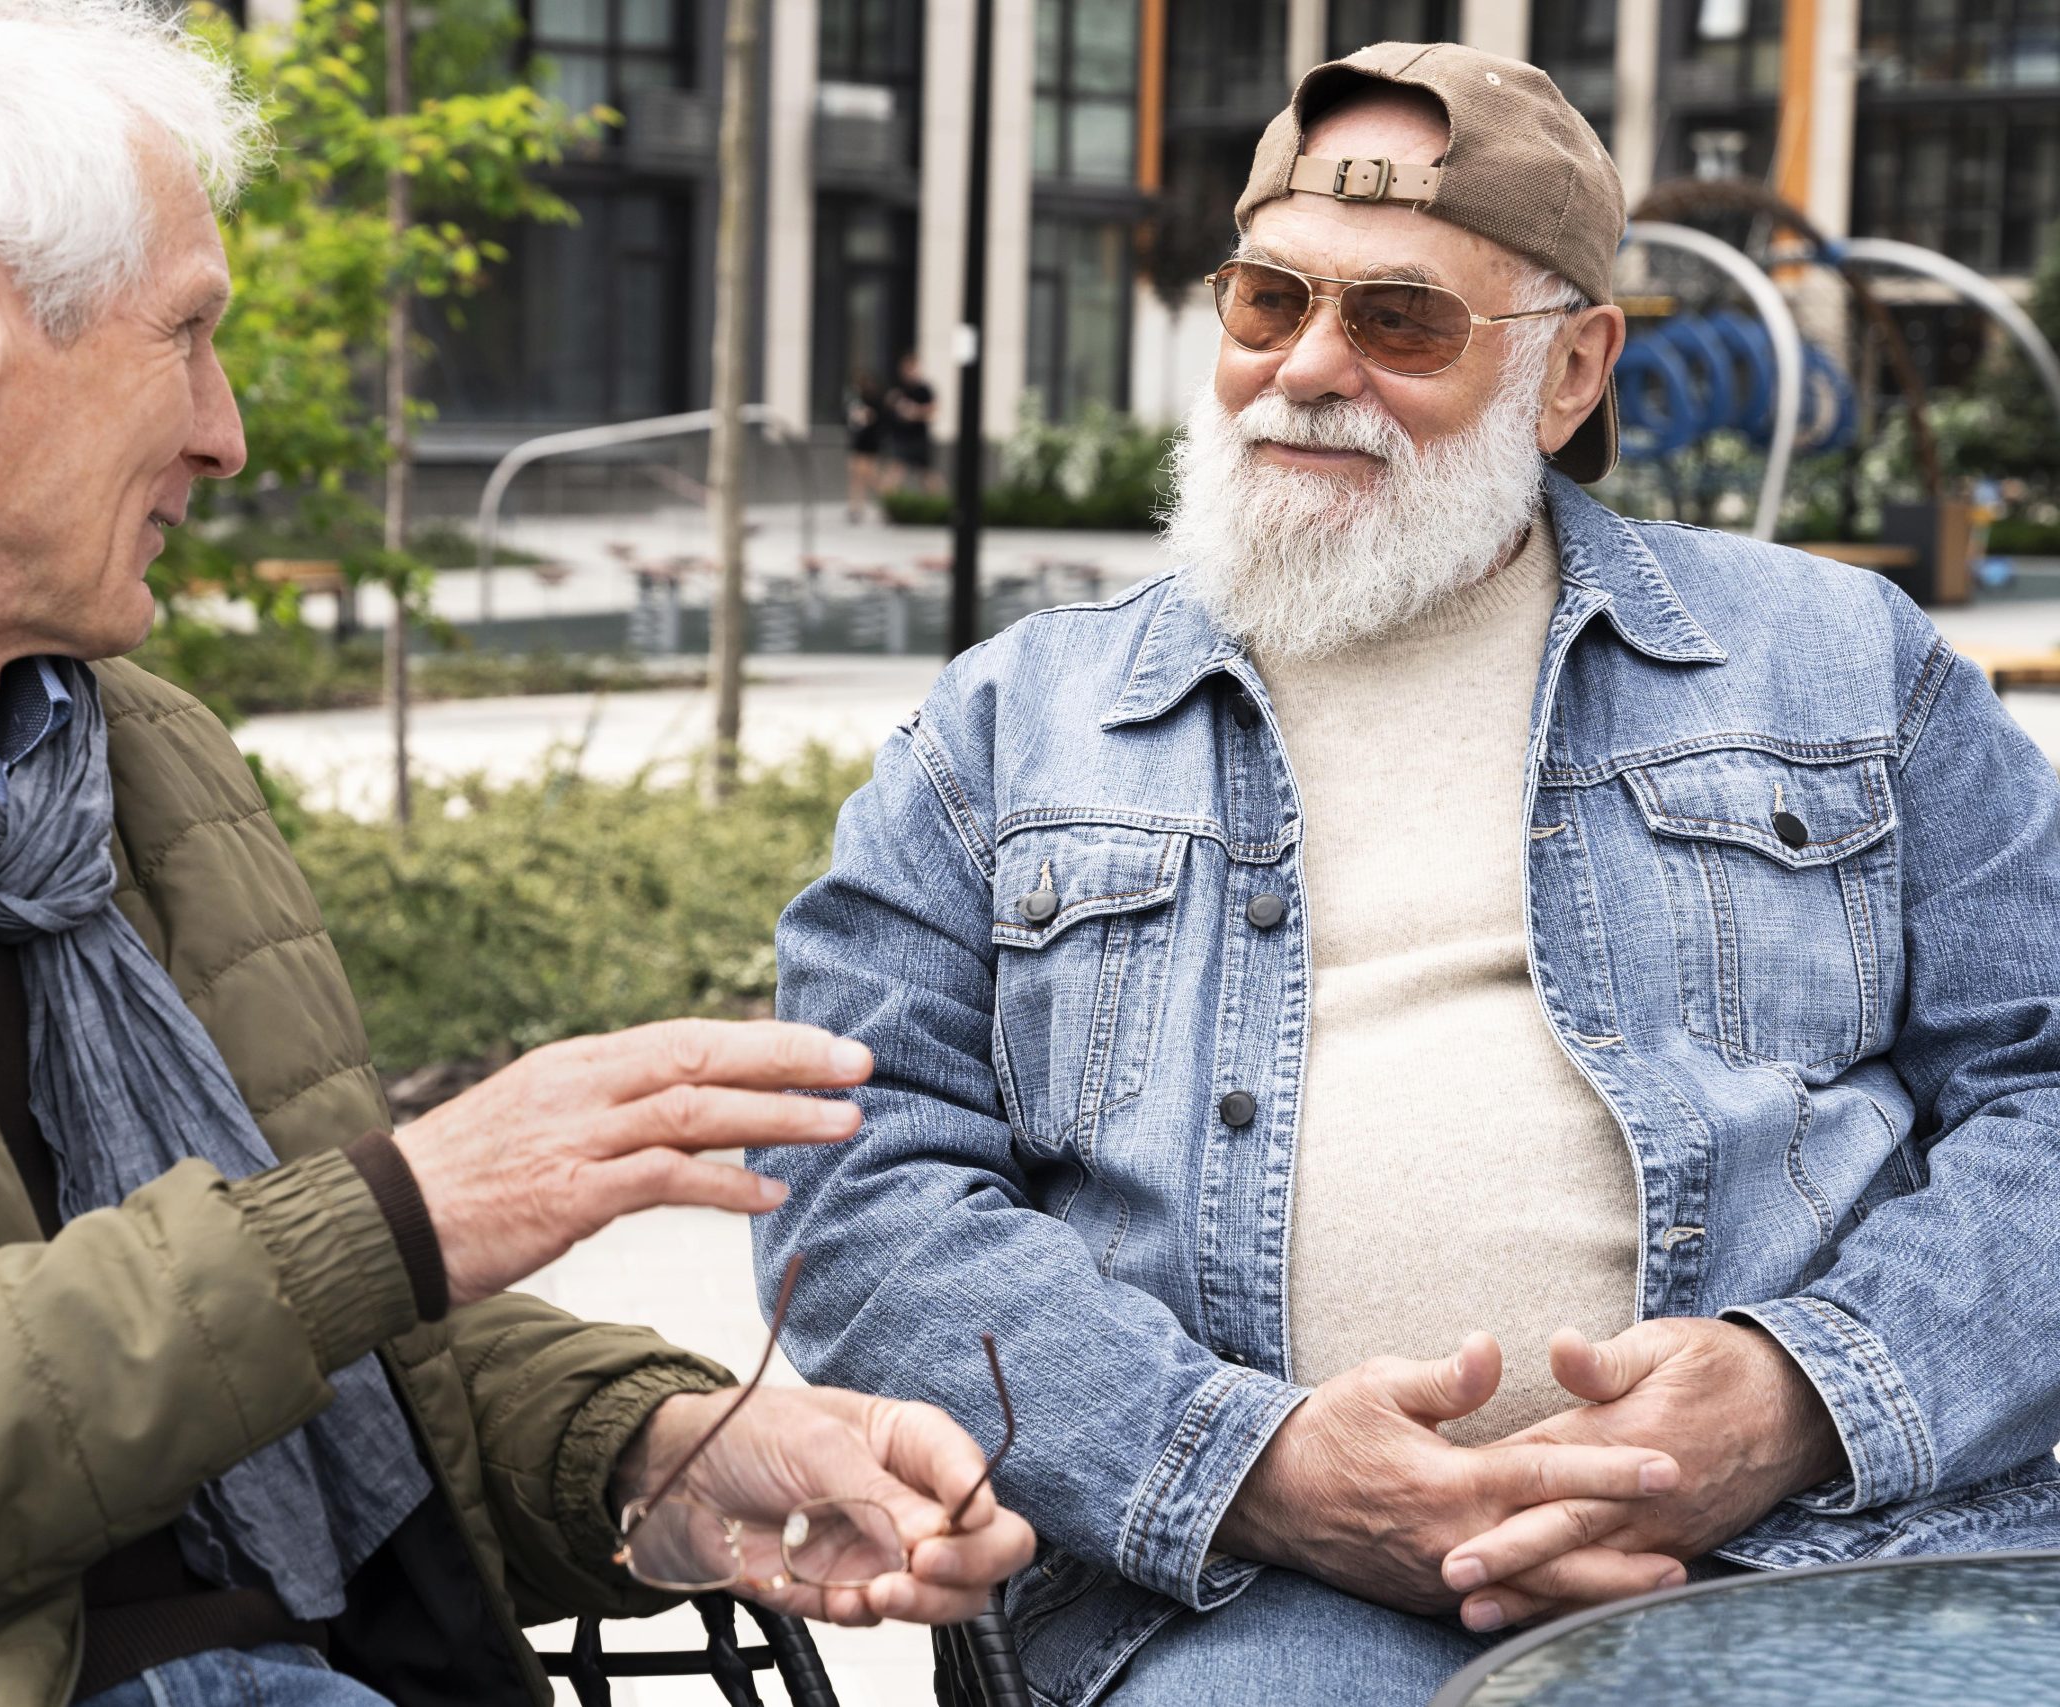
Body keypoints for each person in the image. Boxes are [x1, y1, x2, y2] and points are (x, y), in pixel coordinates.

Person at [0, 6, 1032, 1707]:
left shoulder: (140, 758)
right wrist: (401, 1208)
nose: (224, 432)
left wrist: (656, 1454)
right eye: (187, 334)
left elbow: (325, 1357)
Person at [754, 40, 2060, 1707]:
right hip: (1237, 1594)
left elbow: (2046, 1085)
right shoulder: (1007, 727)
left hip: (1831, 1544)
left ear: (1572, 370)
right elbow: (851, 1182)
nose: (1309, 366)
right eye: (1268, 301)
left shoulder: (1845, 663)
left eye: (1401, 320)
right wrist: (1248, 1462)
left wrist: (1804, 1394)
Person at [882, 350, 940, 495]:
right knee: (895, 471)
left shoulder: (923, 389)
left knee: (927, 475)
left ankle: (941, 502)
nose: (908, 372)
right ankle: (889, 502)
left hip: (919, 437)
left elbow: (932, 410)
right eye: (905, 368)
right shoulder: (898, 388)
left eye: (911, 368)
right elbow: (888, 404)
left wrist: (915, 411)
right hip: (901, 437)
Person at [845, 367, 888, 521]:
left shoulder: (876, 401)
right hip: (858, 442)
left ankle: (888, 502)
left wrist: (866, 416)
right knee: (856, 476)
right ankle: (856, 507)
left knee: (870, 477)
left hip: (870, 443)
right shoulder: (857, 400)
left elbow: (876, 420)